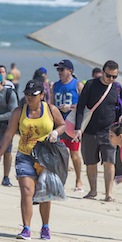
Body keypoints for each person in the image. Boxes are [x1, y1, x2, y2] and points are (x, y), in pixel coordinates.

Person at [0, 78, 66, 240]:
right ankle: (26, 229)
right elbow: (8, 134)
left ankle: (45, 227)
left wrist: (55, 133)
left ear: (42, 95)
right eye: (26, 93)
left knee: (45, 193)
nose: (29, 97)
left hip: (46, 157)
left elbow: (62, 125)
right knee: (26, 191)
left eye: (33, 94)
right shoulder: (19, 112)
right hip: (25, 155)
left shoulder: (51, 109)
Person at [74, 60, 122, 202]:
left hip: (109, 132)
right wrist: (78, 128)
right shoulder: (90, 85)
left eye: (114, 76)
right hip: (90, 131)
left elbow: (121, 106)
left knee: (109, 162)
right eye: (109, 76)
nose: (111, 79)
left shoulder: (117, 87)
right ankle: (93, 191)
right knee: (91, 162)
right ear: (102, 72)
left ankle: (108, 194)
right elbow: (80, 107)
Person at [51, 59, 84, 193]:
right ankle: (61, 182)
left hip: (72, 125)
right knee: (60, 154)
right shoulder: (55, 86)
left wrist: (70, 107)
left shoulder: (78, 85)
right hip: (59, 125)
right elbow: (51, 105)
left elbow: (84, 106)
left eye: (61, 69)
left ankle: (78, 180)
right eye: (58, 69)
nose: (59, 72)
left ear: (70, 71)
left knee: (74, 154)